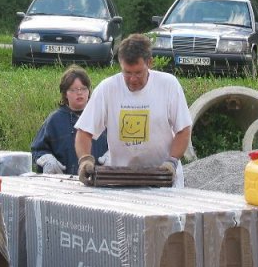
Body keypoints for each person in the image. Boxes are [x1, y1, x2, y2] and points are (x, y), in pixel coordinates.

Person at [74, 34, 192, 187]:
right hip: (121, 178)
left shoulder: (169, 85)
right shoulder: (107, 88)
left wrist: (172, 161)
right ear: (120, 65)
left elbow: (183, 130)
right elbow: (84, 131)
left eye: (138, 73)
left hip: (163, 178)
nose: (133, 79)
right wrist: (84, 160)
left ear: (149, 63)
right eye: (127, 73)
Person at [31, 65, 108, 175]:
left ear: (89, 91)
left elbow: (121, 145)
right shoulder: (54, 121)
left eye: (83, 88)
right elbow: (37, 150)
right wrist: (47, 160)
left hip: (98, 181)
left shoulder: (102, 118)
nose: (79, 93)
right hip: (64, 182)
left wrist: (111, 156)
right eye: (73, 89)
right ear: (65, 93)